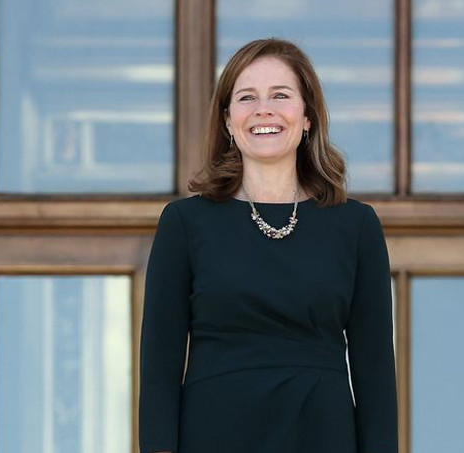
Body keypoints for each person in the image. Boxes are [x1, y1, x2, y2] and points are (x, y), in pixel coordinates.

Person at [138, 38, 397, 453]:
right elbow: (158, 372)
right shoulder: (184, 223)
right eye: (247, 97)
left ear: (307, 116)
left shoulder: (356, 225)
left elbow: (375, 373)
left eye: (280, 95)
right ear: (227, 120)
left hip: (322, 434)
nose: (264, 110)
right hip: (214, 434)